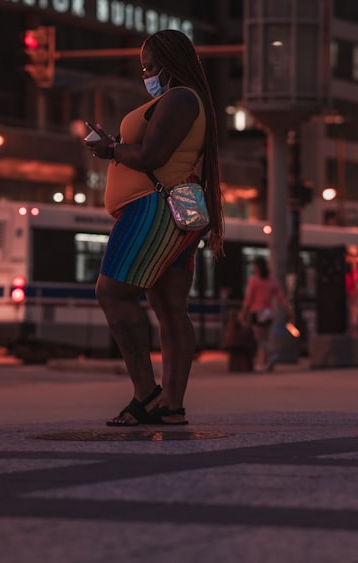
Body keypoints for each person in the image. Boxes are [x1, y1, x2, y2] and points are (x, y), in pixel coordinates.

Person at [85, 29, 224, 426]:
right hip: (177, 208)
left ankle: (146, 395)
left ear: (169, 62)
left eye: (149, 66)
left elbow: (151, 155)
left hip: (154, 209)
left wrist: (110, 149)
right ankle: (172, 405)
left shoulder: (179, 98)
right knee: (168, 308)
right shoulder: (181, 100)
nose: (146, 73)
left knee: (112, 292)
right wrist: (115, 146)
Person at [239, 256, 292, 371]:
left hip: (257, 313)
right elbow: (280, 296)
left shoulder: (254, 280)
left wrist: (244, 311)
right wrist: (287, 307)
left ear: (257, 267)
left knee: (258, 338)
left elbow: (249, 298)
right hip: (268, 313)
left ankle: (272, 355)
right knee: (266, 338)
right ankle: (263, 362)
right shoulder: (272, 280)